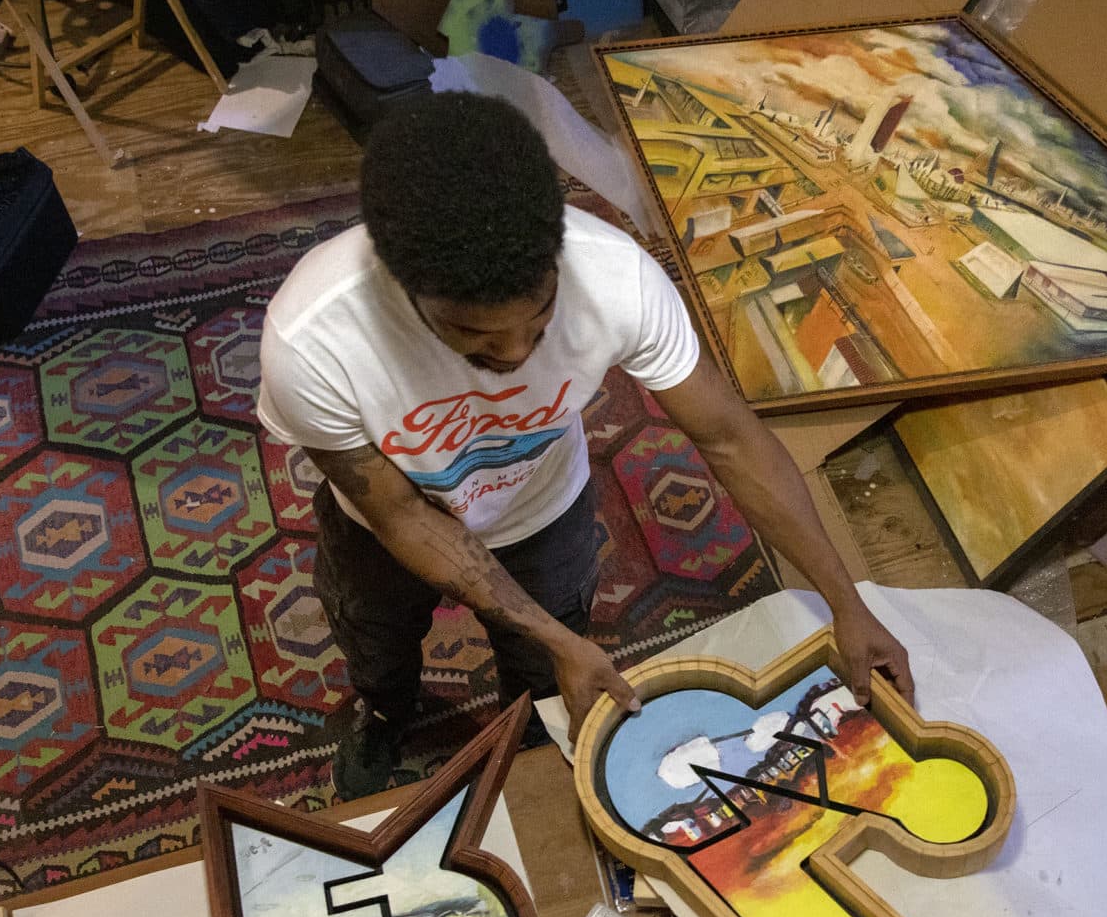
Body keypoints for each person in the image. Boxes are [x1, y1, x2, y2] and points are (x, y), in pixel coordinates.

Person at [257, 92, 913, 799]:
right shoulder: (312, 339)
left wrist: (846, 601)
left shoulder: (616, 278)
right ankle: (385, 712)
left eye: (541, 318)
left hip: (544, 509)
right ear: (403, 288)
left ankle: (529, 715)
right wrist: (564, 643)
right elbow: (400, 517)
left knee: (544, 667)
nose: (515, 351)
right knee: (379, 641)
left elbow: (729, 438)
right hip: (382, 531)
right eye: (476, 337)